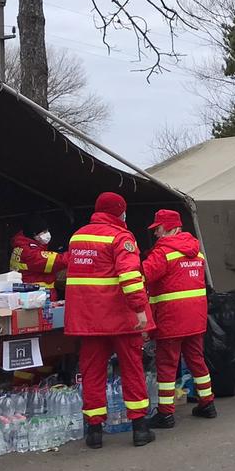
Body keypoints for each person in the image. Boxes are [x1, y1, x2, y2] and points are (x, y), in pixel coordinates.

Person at [67, 192, 153, 450]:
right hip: (119, 318)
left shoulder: (78, 236)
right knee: (132, 369)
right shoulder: (121, 237)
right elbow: (129, 276)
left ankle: (94, 432)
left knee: (92, 372)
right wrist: (140, 309)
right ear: (120, 213)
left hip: (88, 320)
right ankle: (139, 428)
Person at [141, 209, 214, 428]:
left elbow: (143, 275)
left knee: (166, 365)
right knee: (196, 360)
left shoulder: (162, 252)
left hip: (172, 318)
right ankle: (207, 403)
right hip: (196, 317)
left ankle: (165, 413)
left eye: (158, 228)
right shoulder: (196, 251)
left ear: (170, 227)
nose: (156, 233)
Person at [8, 215, 68, 292]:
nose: (47, 234)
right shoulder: (29, 251)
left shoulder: (21, 246)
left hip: (32, 292)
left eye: (47, 230)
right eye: (44, 232)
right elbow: (55, 261)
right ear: (34, 234)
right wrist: (76, 255)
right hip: (37, 294)